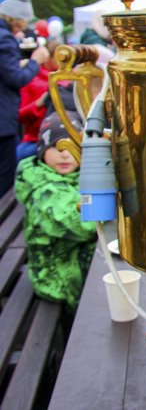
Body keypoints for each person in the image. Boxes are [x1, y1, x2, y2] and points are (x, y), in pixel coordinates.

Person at [14, 111, 97, 313]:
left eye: (72, 145)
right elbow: (79, 225)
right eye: (55, 146)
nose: (64, 153)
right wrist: (107, 205)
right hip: (57, 281)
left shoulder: (78, 175)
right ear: (42, 150)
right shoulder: (42, 188)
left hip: (77, 269)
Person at [0, 0, 50, 196]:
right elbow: (16, 79)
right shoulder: (4, 38)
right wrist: (35, 62)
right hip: (3, 121)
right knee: (5, 174)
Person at [17, 41, 61, 162]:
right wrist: (39, 103)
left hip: (66, 139)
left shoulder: (72, 77)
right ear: (48, 58)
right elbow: (20, 115)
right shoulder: (31, 78)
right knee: (20, 154)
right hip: (35, 139)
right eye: (59, 58)